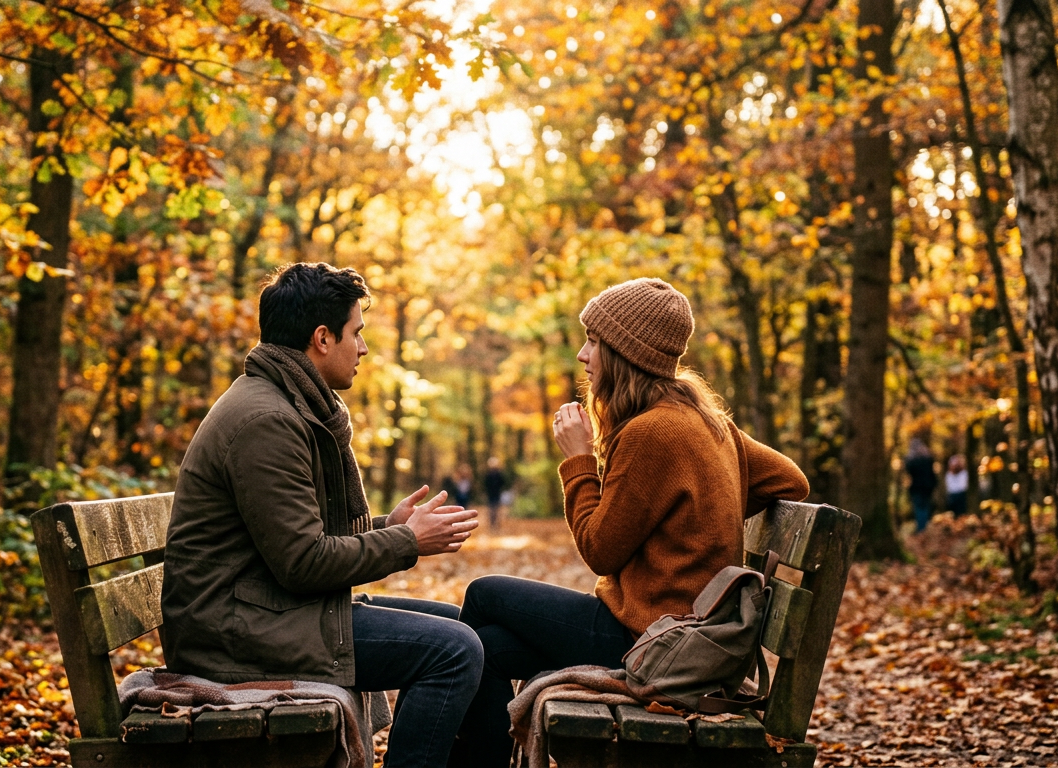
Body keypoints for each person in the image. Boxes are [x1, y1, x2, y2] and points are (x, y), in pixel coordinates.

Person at [451, 278, 810, 767]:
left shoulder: (652, 433)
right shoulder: (706, 421)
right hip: (680, 629)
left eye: (593, 341)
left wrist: (578, 461)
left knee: (484, 594)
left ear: (625, 352)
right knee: (485, 650)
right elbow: (792, 481)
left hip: (647, 638)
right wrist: (698, 513)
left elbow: (600, 551)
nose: (582, 355)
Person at [160, 263, 483, 768]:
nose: (364, 348)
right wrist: (405, 543)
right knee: (455, 650)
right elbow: (303, 562)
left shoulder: (286, 404)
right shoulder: (267, 421)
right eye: (357, 333)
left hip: (262, 610)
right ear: (322, 338)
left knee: (474, 627)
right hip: (233, 634)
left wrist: (389, 530)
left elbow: (295, 539)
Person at [904, 437, 938, 533]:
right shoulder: (928, 458)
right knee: (925, 507)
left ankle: (921, 528)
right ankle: (924, 528)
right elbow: (932, 474)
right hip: (927, 487)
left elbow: (909, 472)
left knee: (919, 508)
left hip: (917, 488)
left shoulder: (912, 460)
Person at [483, 457, 507, 531]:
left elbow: (503, 483)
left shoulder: (499, 474)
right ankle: (492, 525)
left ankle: (496, 525)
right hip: (491, 495)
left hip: (497, 494)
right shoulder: (488, 475)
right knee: (492, 510)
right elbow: (485, 484)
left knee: (496, 510)